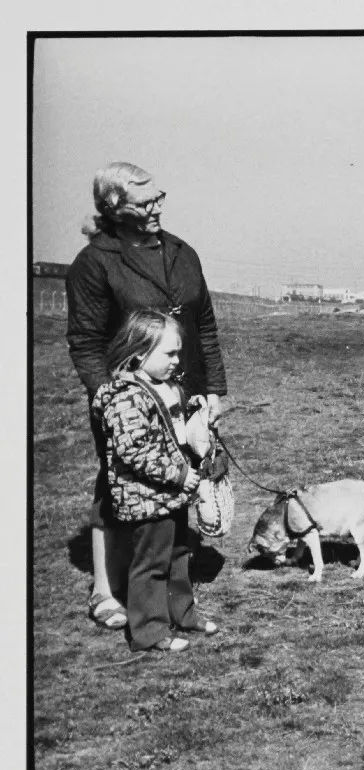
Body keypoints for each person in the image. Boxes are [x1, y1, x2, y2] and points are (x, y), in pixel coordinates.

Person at [66, 162, 227, 631]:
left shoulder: (182, 252)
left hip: (186, 389)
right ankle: (105, 589)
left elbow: (206, 327)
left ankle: (166, 589)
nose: (158, 206)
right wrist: (109, 399)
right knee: (117, 486)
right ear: (115, 207)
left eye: (160, 196)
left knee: (178, 482)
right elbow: (86, 342)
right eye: (146, 200)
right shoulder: (96, 262)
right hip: (130, 398)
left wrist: (214, 388)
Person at [92, 310, 221, 652]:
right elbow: (134, 451)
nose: (177, 360)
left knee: (179, 554)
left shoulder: (164, 387)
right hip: (146, 498)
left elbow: (171, 427)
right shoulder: (126, 398)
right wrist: (179, 473)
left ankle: (182, 612)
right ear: (138, 354)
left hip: (171, 496)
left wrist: (190, 407)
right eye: (170, 353)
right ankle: (149, 631)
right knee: (151, 563)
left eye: (179, 352)